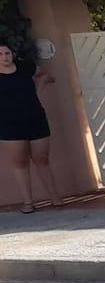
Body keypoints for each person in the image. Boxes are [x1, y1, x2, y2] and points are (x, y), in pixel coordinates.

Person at [0, 39, 58, 213]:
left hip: (35, 118)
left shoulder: (26, 67)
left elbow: (47, 76)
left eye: (7, 53)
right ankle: (28, 202)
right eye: (0, 54)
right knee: (20, 162)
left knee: (42, 159)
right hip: (8, 124)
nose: (4, 57)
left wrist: (37, 91)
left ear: (13, 54)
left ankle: (55, 197)